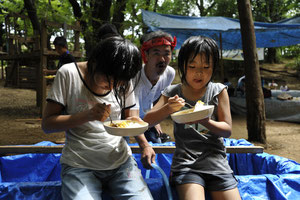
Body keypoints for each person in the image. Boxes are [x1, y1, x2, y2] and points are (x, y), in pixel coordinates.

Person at [42, 36, 155, 200]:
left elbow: (132, 118)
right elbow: (47, 124)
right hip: (79, 165)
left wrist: (144, 144)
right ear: (95, 62)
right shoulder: (68, 73)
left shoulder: (122, 79)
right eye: (108, 80)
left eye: (118, 84)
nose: (112, 87)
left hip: (121, 163)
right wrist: (88, 115)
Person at [143, 36, 241, 200]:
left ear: (214, 67)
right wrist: (168, 108)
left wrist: (206, 121)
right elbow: (147, 122)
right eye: (192, 66)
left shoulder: (218, 90)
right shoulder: (173, 92)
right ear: (183, 66)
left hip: (218, 164)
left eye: (206, 66)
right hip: (186, 165)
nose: (199, 73)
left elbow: (227, 130)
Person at [132, 31, 177, 143]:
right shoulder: (134, 77)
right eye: (156, 53)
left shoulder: (169, 73)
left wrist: (155, 119)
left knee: (158, 144)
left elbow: (162, 99)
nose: (162, 59)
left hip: (147, 117)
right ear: (146, 55)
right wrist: (144, 144)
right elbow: (130, 115)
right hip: (126, 117)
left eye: (166, 54)